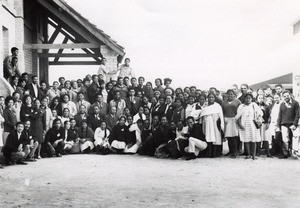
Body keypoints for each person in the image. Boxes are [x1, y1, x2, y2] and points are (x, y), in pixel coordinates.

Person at [235, 93, 263, 160]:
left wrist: (258, 118)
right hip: (244, 124)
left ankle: (253, 155)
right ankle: (248, 154)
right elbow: (237, 117)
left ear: (251, 99)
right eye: (246, 98)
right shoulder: (241, 106)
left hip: (253, 124)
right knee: (246, 139)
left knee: (254, 139)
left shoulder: (254, 105)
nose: (248, 99)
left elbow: (260, 113)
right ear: (244, 98)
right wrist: (240, 125)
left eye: (249, 98)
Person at [200, 93, 224, 158]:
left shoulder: (217, 106)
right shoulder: (205, 106)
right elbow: (202, 114)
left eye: (212, 97)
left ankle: (215, 153)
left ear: (214, 98)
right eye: (209, 97)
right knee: (208, 137)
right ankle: (209, 153)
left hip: (215, 123)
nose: (211, 98)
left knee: (215, 138)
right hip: (207, 123)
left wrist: (220, 124)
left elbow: (220, 115)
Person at [277, 90, 300, 159]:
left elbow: (297, 115)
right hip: (284, 124)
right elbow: (280, 115)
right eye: (284, 96)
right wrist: (278, 125)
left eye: (287, 96)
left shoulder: (295, 103)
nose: (286, 97)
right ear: (282, 97)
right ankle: (285, 153)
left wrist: (295, 124)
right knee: (285, 139)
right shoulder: (282, 104)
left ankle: (296, 153)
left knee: (296, 137)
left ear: (290, 95)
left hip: (293, 123)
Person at [221, 89, 241, 158]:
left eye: (232, 94)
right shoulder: (223, 103)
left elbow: (240, 111)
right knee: (229, 136)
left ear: (234, 95)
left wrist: (238, 119)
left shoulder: (238, 102)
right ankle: (230, 151)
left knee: (234, 137)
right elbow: (222, 112)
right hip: (227, 119)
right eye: (229, 94)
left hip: (235, 119)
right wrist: (224, 119)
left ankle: (235, 152)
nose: (230, 95)